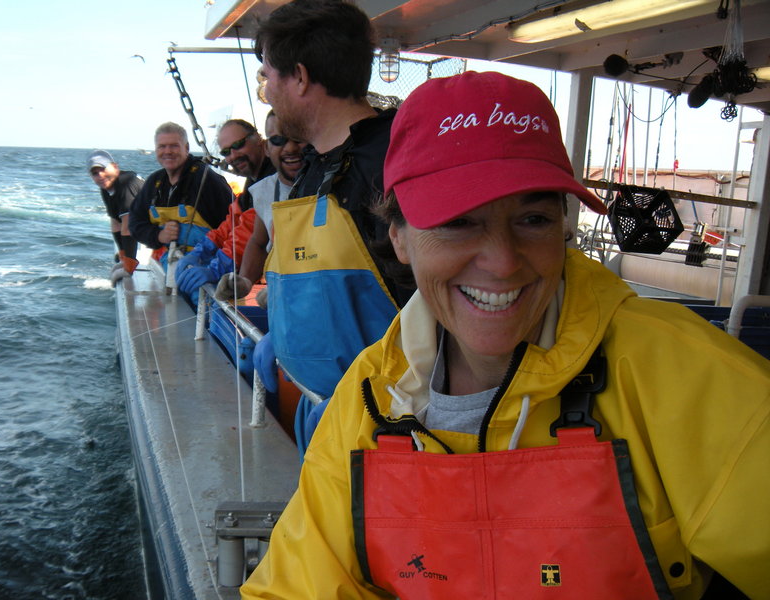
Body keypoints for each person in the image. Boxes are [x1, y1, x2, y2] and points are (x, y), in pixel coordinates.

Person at [239, 71, 770, 599]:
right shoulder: (370, 395)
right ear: (398, 236)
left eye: (533, 219)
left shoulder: (682, 371)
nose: (502, 262)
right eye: (457, 222)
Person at [252, 0, 413, 450]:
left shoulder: (390, 167)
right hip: (325, 410)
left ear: (300, 77)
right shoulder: (315, 166)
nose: (266, 90)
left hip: (382, 427)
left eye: (268, 76)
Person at [175, 118, 277, 302]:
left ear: (259, 139)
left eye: (238, 145)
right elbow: (231, 224)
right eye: (226, 152)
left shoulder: (272, 177)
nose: (233, 156)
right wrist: (201, 251)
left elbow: (249, 230)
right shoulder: (253, 181)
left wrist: (217, 268)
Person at [214, 110, 305, 301]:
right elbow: (258, 241)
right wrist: (244, 280)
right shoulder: (263, 191)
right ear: (266, 147)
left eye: (297, 137)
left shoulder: (333, 184)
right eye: (278, 140)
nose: (290, 148)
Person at [128, 122, 232, 265]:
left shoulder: (206, 180)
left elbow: (233, 226)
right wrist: (158, 235)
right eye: (162, 146)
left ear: (187, 148)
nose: (168, 151)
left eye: (174, 146)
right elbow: (135, 222)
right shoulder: (154, 182)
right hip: (168, 265)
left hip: (207, 269)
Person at [86, 149, 144, 283]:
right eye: (95, 173)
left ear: (115, 167)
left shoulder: (125, 183)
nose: (100, 175)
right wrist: (123, 255)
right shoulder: (106, 188)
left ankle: (130, 262)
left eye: (103, 169)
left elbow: (128, 225)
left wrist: (128, 267)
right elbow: (116, 222)